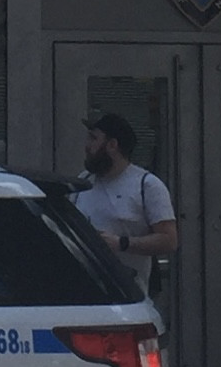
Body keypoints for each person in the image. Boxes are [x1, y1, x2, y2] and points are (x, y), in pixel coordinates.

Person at [75, 113, 179, 296]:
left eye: (93, 138)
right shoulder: (82, 181)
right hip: (84, 293)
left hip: (127, 295)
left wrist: (122, 243)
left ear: (112, 145)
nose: (87, 146)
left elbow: (169, 239)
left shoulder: (147, 185)